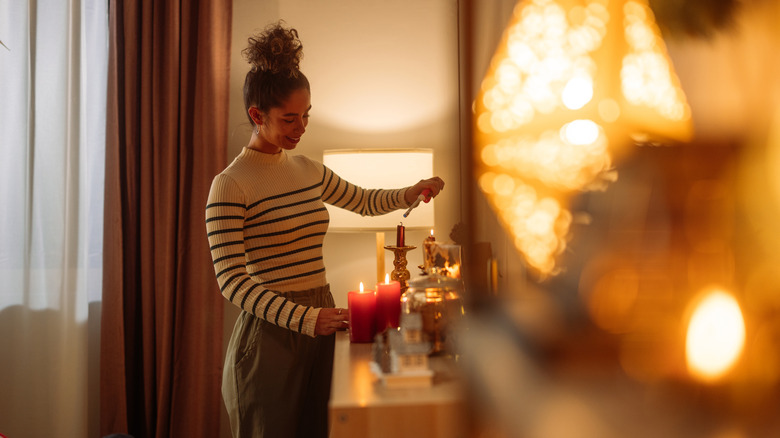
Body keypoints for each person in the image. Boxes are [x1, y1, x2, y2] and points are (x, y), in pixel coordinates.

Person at [205, 21, 445, 438]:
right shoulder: (231, 184)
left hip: (321, 320)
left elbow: (365, 201)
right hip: (271, 337)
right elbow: (231, 282)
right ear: (256, 115)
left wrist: (411, 191)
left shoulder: (306, 169)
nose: (301, 129)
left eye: (306, 116)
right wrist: (306, 319)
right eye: (290, 119)